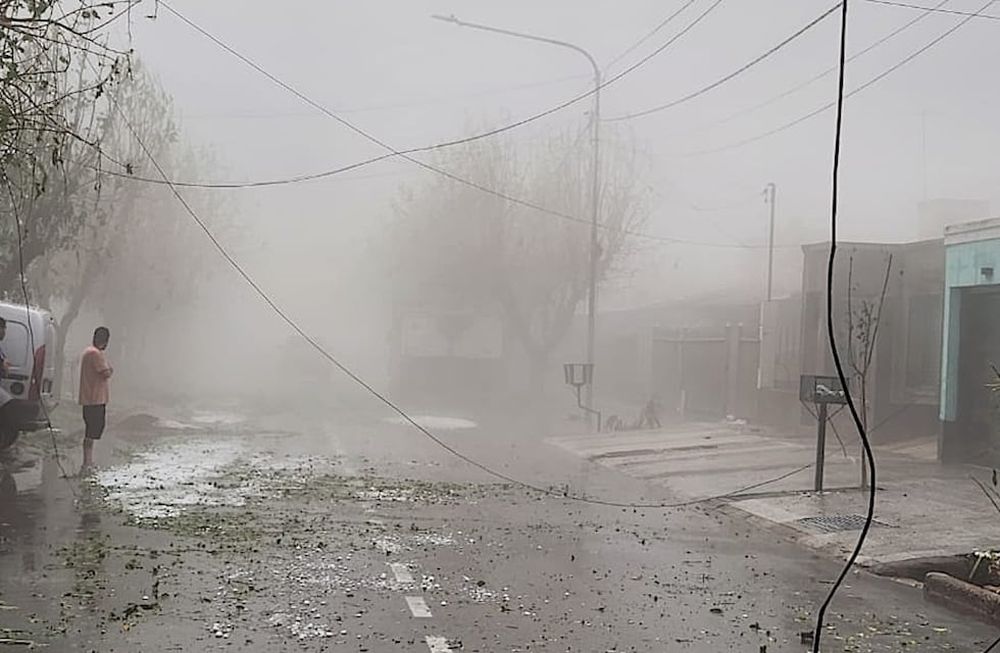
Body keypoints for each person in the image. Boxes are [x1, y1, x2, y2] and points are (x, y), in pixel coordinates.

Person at [79, 327, 112, 473]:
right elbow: (105, 372)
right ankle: (87, 462)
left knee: (91, 430)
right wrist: (111, 370)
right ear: (104, 341)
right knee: (92, 431)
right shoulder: (95, 354)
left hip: (89, 398)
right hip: (95, 398)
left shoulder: (87, 352)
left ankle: (88, 461)